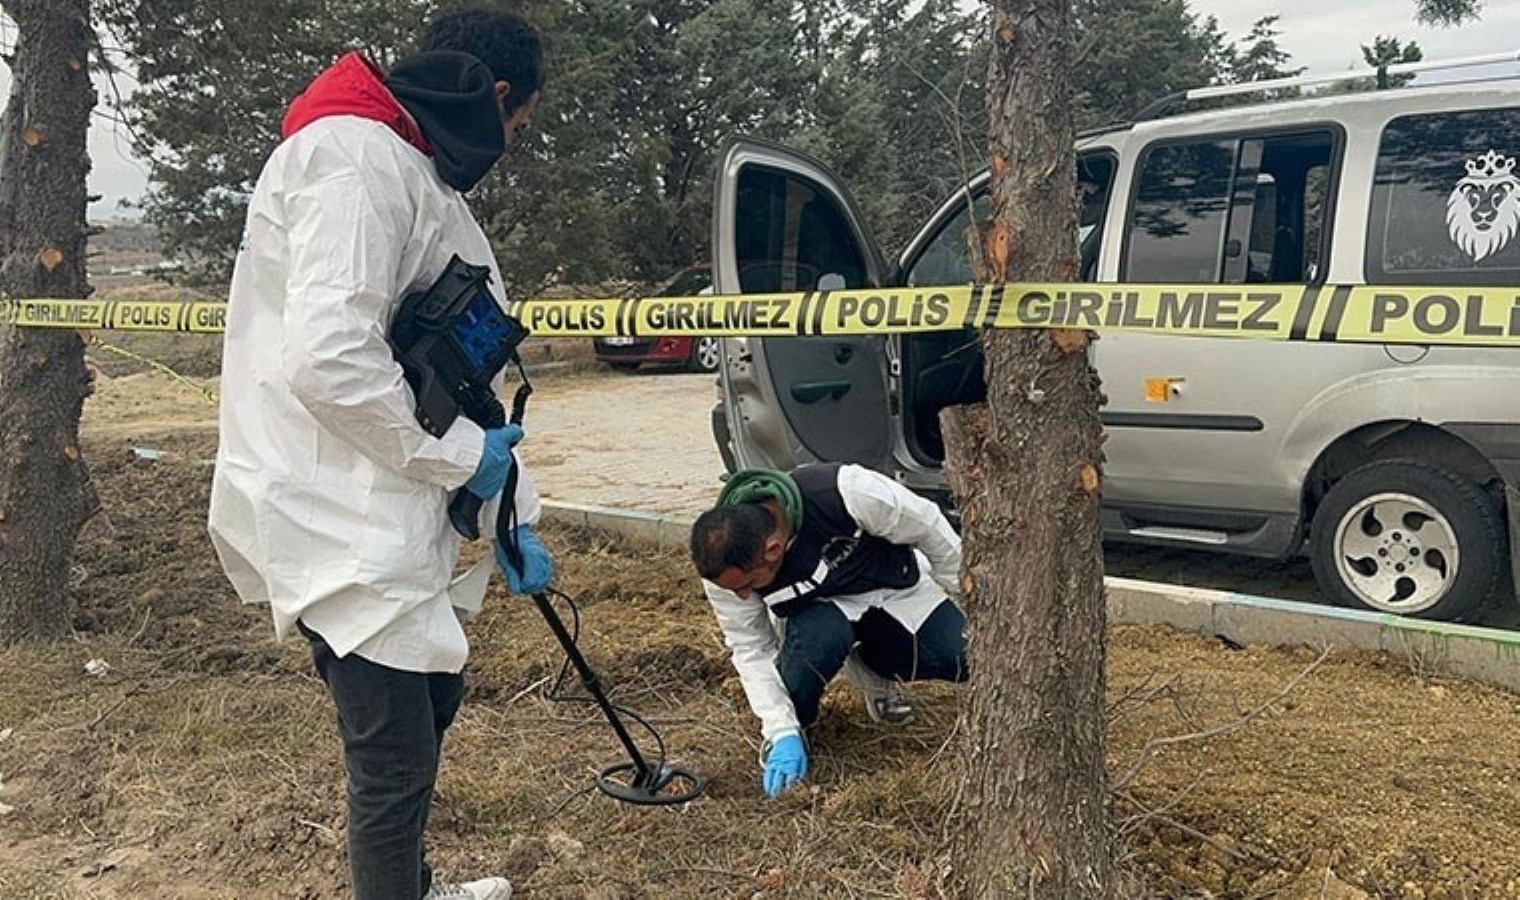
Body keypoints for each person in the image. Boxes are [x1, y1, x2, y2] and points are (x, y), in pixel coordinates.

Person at [207, 8, 552, 899]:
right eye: (519, 126)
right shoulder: (352, 157)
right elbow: (331, 362)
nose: (512, 144)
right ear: (498, 95)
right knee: (393, 765)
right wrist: (458, 459)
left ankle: (414, 885)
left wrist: (500, 496)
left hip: (380, 496)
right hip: (339, 509)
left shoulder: (401, 163)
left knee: (433, 697)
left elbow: (427, 347)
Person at [689, 464, 969, 799]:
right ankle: (799, 732)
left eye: (749, 586)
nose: (745, 597)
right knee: (823, 638)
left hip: (896, 592)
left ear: (773, 550)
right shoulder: (725, 570)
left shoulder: (848, 492)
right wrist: (781, 729)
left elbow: (930, 529)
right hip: (821, 620)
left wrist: (973, 602)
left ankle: (872, 668)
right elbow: (750, 648)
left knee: (964, 656)